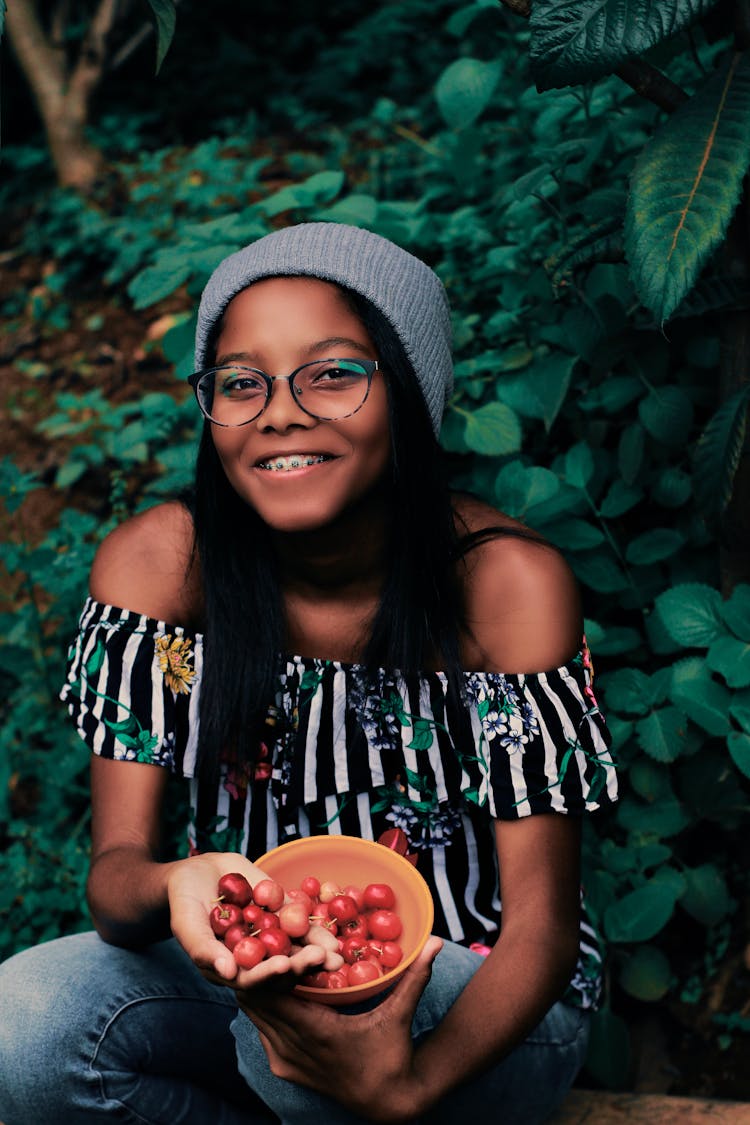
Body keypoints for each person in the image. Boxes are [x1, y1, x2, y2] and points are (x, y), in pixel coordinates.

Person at [0, 222, 617, 1125]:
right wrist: (175, 881)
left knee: (311, 1020)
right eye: (240, 383)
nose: (280, 412)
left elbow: (542, 929)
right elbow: (116, 881)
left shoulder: (503, 585)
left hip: (478, 997)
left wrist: (408, 1084)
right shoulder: (163, 566)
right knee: (25, 1024)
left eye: (332, 372)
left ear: (409, 392)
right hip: (255, 975)